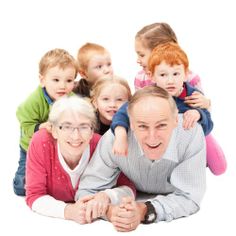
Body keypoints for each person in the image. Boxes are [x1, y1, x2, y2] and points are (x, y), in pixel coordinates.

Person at [76, 86, 207, 232]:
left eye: (161, 125)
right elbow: (86, 191)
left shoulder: (190, 134)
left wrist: (145, 210)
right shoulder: (113, 140)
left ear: (176, 119)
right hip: (128, 191)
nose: (152, 137)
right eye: (143, 126)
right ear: (131, 123)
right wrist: (111, 212)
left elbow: (190, 197)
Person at [112, 39, 227, 175]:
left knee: (219, 167)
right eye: (163, 75)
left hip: (189, 137)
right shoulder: (148, 94)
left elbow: (208, 122)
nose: (170, 80)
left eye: (176, 74)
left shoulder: (192, 95)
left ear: (185, 74)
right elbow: (123, 112)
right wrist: (120, 134)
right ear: (152, 76)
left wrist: (198, 114)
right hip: (163, 141)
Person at [25, 96, 136, 222]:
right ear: (54, 130)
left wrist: (107, 196)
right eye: (67, 127)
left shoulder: (101, 144)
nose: (76, 136)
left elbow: (129, 187)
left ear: (92, 130)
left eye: (84, 127)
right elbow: (34, 195)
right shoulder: (41, 143)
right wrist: (68, 211)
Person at [13, 48, 78, 196]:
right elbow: (25, 123)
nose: (62, 86)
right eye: (56, 80)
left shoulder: (71, 98)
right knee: (21, 186)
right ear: (42, 80)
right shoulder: (34, 101)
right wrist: (40, 126)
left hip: (56, 148)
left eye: (68, 80)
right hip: (29, 148)